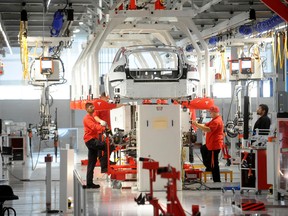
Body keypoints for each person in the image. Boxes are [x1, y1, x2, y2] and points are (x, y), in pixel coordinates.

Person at [191, 105, 224, 182]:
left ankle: (217, 181)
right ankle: (208, 167)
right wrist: (195, 124)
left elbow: (208, 129)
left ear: (215, 112)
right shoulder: (214, 120)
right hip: (210, 144)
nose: (210, 114)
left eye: (211, 112)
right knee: (203, 148)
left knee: (214, 164)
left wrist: (196, 125)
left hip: (214, 146)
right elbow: (205, 125)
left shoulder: (217, 121)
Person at [83, 102, 107, 189]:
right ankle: (105, 166)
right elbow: (93, 127)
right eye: (90, 107)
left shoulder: (92, 117)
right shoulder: (87, 118)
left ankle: (89, 183)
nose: (92, 108)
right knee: (106, 146)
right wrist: (104, 128)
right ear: (86, 109)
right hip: (90, 140)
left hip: (92, 140)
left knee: (91, 163)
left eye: (93, 106)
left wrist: (102, 126)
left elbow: (96, 126)